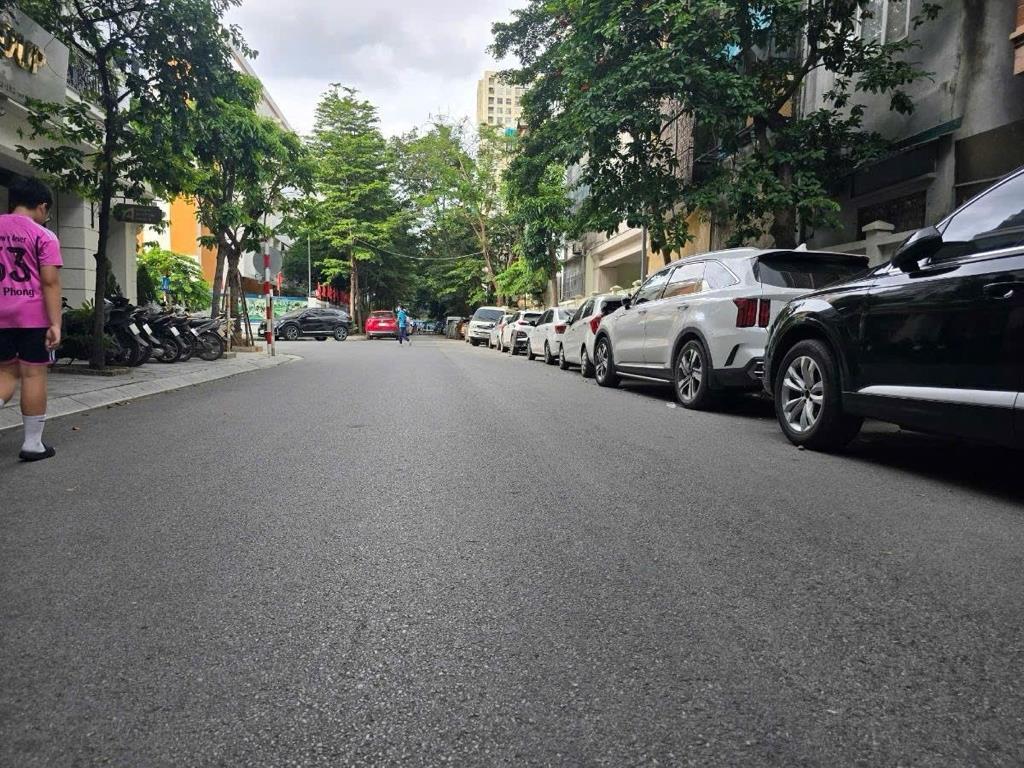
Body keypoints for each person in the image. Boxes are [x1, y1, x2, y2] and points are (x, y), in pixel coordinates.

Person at [0, 177, 63, 462]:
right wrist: (55, 323)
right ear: (41, 206)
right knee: (33, 374)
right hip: (32, 317)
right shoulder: (43, 236)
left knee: (5, 372)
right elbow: (50, 282)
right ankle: (32, 444)